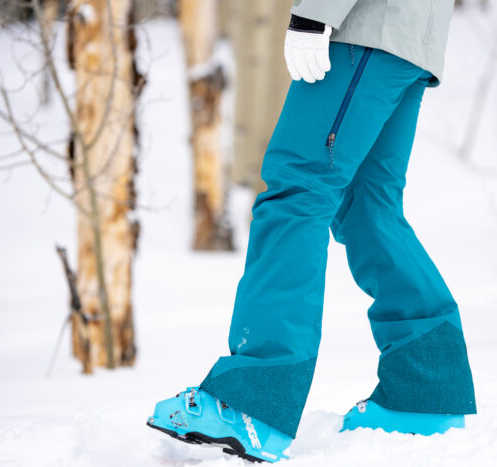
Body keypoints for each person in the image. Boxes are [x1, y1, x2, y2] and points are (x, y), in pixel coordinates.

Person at [147, 0, 476, 462]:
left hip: (364, 26)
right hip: (410, 34)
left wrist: (318, 10)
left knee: (297, 193)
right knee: (366, 206)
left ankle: (253, 399)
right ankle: (424, 389)